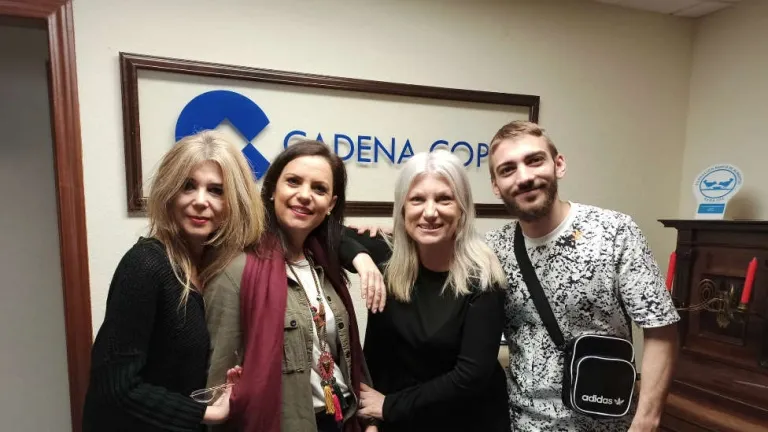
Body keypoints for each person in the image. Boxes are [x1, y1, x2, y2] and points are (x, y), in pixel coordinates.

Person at [484, 120, 680, 431]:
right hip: (521, 423)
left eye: (534, 160)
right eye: (508, 169)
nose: (524, 177)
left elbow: (661, 329)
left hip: (607, 423)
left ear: (558, 164)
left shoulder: (615, 232)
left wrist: (647, 420)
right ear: (496, 186)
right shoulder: (492, 249)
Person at [82, 130, 265, 431]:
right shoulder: (145, 265)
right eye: (188, 186)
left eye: (216, 190)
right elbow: (114, 385)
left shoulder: (210, 267)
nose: (200, 201)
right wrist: (205, 413)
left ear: (234, 201)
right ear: (169, 192)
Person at [204, 140, 384, 432]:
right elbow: (217, 379)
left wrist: (370, 423)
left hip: (341, 418)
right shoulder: (236, 269)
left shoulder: (325, 263)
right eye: (293, 182)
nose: (304, 195)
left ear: (331, 205)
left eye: (319, 189)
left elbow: (345, 355)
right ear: (272, 189)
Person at [344, 150, 511, 432]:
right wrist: (361, 259)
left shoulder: (483, 276)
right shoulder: (385, 254)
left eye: (444, 199)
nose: (430, 212)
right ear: (402, 208)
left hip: (465, 420)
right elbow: (327, 232)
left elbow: (470, 376)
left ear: (462, 208)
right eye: (417, 200)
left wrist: (387, 407)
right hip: (398, 418)